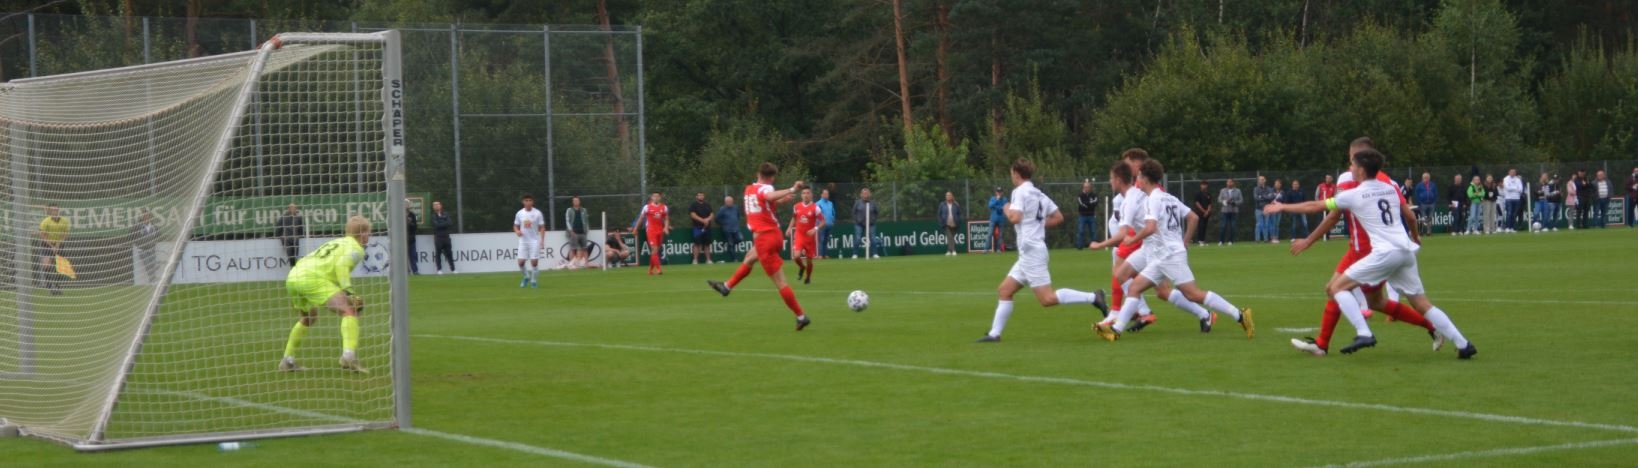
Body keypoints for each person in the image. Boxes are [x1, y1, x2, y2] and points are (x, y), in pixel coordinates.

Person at [1266, 148, 1475, 359]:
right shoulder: (1390, 188)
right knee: (1422, 304)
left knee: (1335, 288)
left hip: (1385, 254)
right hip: (1405, 252)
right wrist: (1415, 236)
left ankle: (1364, 333)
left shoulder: (1355, 195)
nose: (1350, 168)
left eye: (1353, 165)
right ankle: (1463, 344)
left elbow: (1315, 206)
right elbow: (1409, 215)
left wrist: (1283, 207)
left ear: (1362, 170)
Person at [1096, 159, 1253, 341]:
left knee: (1193, 294)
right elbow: (1193, 217)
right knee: (1134, 288)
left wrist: (1132, 239)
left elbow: (1150, 228)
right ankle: (1115, 330)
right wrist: (1184, 242)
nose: (1137, 179)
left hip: (1169, 256)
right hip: (1162, 256)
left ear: (1145, 178)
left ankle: (1240, 315)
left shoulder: (1153, 199)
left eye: (1139, 176)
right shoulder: (1168, 197)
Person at [977, 158, 1109, 342]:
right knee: (1005, 290)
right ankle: (994, 334)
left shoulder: (1019, 192)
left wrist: (1006, 207)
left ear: (1016, 173)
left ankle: (1094, 297)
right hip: (1030, 252)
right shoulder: (1039, 194)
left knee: (1047, 299)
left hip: (1031, 251)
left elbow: (1015, 218)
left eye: (1011, 173)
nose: (1011, 176)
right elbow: (1058, 217)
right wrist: (1037, 224)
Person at [707, 163, 812, 331]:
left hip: (765, 238)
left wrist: (791, 190)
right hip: (772, 236)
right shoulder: (765, 189)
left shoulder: (749, 189)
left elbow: (767, 197)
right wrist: (786, 195)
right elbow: (767, 201)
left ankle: (801, 317)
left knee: (780, 282)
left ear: (758, 174)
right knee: (749, 257)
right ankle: (726, 287)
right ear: (772, 177)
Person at [279, 215, 375, 373]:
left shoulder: (338, 242)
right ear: (362, 233)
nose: (369, 235)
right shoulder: (356, 248)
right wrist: (349, 292)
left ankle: (287, 360)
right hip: (312, 278)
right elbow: (341, 266)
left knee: (308, 318)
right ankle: (348, 357)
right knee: (349, 311)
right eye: (368, 231)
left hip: (294, 276)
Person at [788, 188, 825, 284]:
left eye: (808, 193)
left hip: (809, 238)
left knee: (809, 261)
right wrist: (789, 228)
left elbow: (823, 222)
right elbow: (794, 218)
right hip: (799, 235)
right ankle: (801, 267)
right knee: (796, 256)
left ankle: (808, 277)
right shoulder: (796, 206)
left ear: (811, 195)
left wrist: (815, 229)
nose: (806, 195)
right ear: (801, 195)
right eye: (804, 193)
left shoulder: (815, 208)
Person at [635, 191, 671, 275]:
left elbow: (666, 219)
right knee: (654, 249)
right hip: (651, 230)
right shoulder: (647, 207)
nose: (656, 198)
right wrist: (635, 228)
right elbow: (641, 218)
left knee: (655, 251)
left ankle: (650, 270)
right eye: (654, 196)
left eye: (657, 196)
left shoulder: (664, 207)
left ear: (660, 198)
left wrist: (666, 227)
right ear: (652, 197)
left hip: (660, 230)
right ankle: (659, 269)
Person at [37, 203, 70, 295]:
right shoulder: (45, 221)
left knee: (62, 267)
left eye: (56, 209)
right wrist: (51, 246)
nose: (55, 211)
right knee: (46, 264)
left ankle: (57, 284)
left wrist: (58, 245)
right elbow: (42, 235)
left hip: (59, 245)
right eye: (53, 210)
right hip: (47, 245)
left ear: (58, 210)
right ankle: (49, 285)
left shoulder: (64, 221)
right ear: (50, 211)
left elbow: (65, 234)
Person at [514, 195, 546, 287]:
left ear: (532, 202)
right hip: (523, 241)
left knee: (534, 263)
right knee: (521, 262)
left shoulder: (538, 213)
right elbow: (515, 225)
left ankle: (533, 281)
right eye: (526, 200)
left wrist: (542, 240)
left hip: (534, 241)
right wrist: (517, 231)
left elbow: (542, 227)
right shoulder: (519, 213)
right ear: (523, 202)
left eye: (530, 200)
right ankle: (526, 277)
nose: (528, 202)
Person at [563, 196, 591, 268]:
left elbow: (586, 221)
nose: (576, 202)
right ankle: (572, 265)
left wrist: (587, 230)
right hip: (573, 233)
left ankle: (586, 264)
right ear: (572, 202)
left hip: (583, 232)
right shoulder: (569, 210)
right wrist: (571, 231)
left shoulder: (584, 210)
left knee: (585, 248)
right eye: (574, 201)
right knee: (573, 249)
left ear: (579, 201)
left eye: (577, 200)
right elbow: (567, 220)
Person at [275, 203, 305, 269]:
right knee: (290, 255)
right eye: (291, 208)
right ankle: (293, 268)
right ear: (288, 209)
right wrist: (280, 236)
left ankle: (294, 268)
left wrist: (300, 236)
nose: (293, 209)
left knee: (295, 255)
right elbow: (278, 227)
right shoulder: (283, 217)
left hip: (295, 239)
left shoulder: (298, 217)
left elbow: (301, 228)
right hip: (287, 239)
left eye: (294, 208)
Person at [853, 188, 882, 258]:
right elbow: (853, 213)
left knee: (873, 239)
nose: (865, 195)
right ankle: (855, 254)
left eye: (867, 193)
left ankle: (875, 254)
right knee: (858, 238)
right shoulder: (857, 203)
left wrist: (873, 220)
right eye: (864, 193)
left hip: (871, 224)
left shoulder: (873, 203)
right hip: (859, 224)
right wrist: (857, 220)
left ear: (869, 194)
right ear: (861, 195)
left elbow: (876, 213)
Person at [131, 209, 159, 279]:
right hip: (142, 249)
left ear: (150, 217)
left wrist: (154, 242)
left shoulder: (154, 226)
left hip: (151, 248)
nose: (146, 217)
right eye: (144, 216)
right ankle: (152, 278)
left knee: (152, 263)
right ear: (142, 217)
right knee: (147, 263)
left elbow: (158, 235)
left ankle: (153, 277)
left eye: (147, 216)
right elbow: (132, 235)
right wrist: (138, 244)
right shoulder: (138, 227)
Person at [688, 192, 714, 264]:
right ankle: (695, 260)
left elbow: (712, 214)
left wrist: (707, 220)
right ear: (696, 196)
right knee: (697, 243)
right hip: (697, 227)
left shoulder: (707, 205)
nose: (701, 196)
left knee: (707, 244)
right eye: (699, 195)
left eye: (702, 195)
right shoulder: (693, 205)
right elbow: (693, 215)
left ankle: (708, 260)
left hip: (707, 228)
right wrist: (703, 220)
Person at [431, 201, 456, 273]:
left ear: (440, 206)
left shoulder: (446, 214)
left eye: (437, 204)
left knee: (449, 253)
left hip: (446, 237)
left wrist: (441, 222)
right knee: (438, 254)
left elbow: (450, 223)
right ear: (433, 207)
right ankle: (439, 269)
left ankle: (453, 269)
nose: (436, 206)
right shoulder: (433, 216)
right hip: (438, 237)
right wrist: (444, 222)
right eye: (435, 205)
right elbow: (436, 225)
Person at [716, 196, 743, 263]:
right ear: (725, 202)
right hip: (727, 230)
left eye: (730, 201)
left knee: (740, 239)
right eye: (728, 202)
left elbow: (738, 216)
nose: (729, 203)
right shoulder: (722, 209)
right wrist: (723, 224)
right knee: (730, 244)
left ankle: (730, 245)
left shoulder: (735, 208)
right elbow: (717, 219)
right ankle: (734, 259)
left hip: (735, 228)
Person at [1075, 180, 1100, 249]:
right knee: (1081, 231)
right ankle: (1080, 246)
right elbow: (1081, 204)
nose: (1087, 188)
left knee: (1093, 231)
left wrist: (1088, 203)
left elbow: (1095, 203)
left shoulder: (1094, 195)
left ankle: (1094, 246)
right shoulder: (1080, 195)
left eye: (1088, 187)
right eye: (1085, 187)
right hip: (1082, 216)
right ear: (1083, 188)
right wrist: (1089, 203)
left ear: (1090, 188)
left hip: (1091, 215)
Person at [937, 191, 963, 255]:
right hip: (946, 224)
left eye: (949, 195)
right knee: (950, 237)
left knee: (951, 238)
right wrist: (941, 221)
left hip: (954, 224)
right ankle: (953, 250)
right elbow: (939, 214)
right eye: (947, 195)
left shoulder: (956, 204)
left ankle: (949, 251)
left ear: (952, 196)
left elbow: (959, 214)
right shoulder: (942, 204)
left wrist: (958, 220)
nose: (948, 196)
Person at [1217, 179, 1242, 245]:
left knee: (1232, 227)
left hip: (1234, 211)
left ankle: (1231, 241)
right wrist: (1225, 201)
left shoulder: (1238, 190)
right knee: (1223, 226)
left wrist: (1235, 203)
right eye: (1228, 182)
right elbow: (1219, 200)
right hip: (1225, 211)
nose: (1229, 183)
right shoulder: (1222, 190)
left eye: (1230, 182)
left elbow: (1241, 200)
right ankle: (1221, 241)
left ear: (1233, 183)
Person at [1252, 176, 1276, 243]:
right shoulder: (1255, 189)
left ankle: (1266, 239)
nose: (1261, 181)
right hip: (1258, 209)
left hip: (1267, 209)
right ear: (1258, 181)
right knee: (1258, 224)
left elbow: (1271, 197)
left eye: (1262, 179)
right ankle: (1257, 240)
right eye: (1260, 180)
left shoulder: (1269, 189)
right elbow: (1256, 198)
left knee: (1266, 224)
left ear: (1265, 180)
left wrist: (1261, 196)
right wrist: (1266, 196)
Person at [1315, 174, 1337, 241]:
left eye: (1329, 178)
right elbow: (1316, 196)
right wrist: (1319, 204)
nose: (1328, 179)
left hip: (1329, 207)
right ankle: (1319, 236)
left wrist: (1332, 205)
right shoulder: (1320, 186)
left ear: (1332, 179)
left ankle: (1327, 236)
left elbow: (1335, 196)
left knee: (1328, 222)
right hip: (1321, 207)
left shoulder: (1334, 187)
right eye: (1327, 178)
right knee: (1320, 222)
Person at [1191, 181, 1213, 246]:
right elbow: (1197, 203)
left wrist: (1208, 211)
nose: (1204, 186)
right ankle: (1199, 240)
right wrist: (1204, 211)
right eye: (1203, 185)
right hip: (1199, 213)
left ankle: (1203, 240)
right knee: (1200, 226)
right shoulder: (1198, 194)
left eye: (1205, 185)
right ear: (1200, 186)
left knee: (1204, 227)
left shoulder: (1208, 194)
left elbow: (1210, 203)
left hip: (1207, 214)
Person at [816, 188, 836, 258]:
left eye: (827, 194)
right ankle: (820, 255)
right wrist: (818, 224)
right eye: (824, 194)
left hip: (829, 224)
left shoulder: (830, 203)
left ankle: (825, 254)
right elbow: (816, 215)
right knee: (821, 239)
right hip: (821, 225)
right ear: (821, 195)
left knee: (826, 240)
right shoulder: (818, 203)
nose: (826, 195)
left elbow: (833, 213)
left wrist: (833, 220)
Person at [987, 187, 1008, 253]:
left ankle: (998, 249)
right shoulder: (993, 198)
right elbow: (990, 206)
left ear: (1002, 192)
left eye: (1000, 192)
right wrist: (996, 200)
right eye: (998, 192)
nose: (999, 193)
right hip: (993, 219)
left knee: (1000, 235)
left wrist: (996, 207)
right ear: (996, 192)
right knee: (990, 234)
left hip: (1001, 220)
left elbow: (1005, 208)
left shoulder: (1005, 199)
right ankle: (986, 249)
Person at [404, 202, 420, 275]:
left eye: (407, 204)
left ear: (409, 206)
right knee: (403, 257)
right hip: (402, 239)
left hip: (411, 239)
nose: (406, 205)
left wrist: (410, 222)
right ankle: (406, 272)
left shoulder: (412, 215)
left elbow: (415, 227)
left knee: (413, 256)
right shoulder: (399, 214)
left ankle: (415, 271)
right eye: (404, 204)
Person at [1267, 179, 1285, 243]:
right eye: (1276, 183)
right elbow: (1269, 198)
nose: (1277, 185)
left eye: (1278, 183)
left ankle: (1276, 237)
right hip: (1273, 209)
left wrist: (1279, 202)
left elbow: (1283, 200)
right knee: (1273, 223)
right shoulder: (1271, 190)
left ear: (1280, 185)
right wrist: (1272, 201)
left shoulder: (1282, 192)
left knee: (1277, 224)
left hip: (1279, 209)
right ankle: (1272, 238)